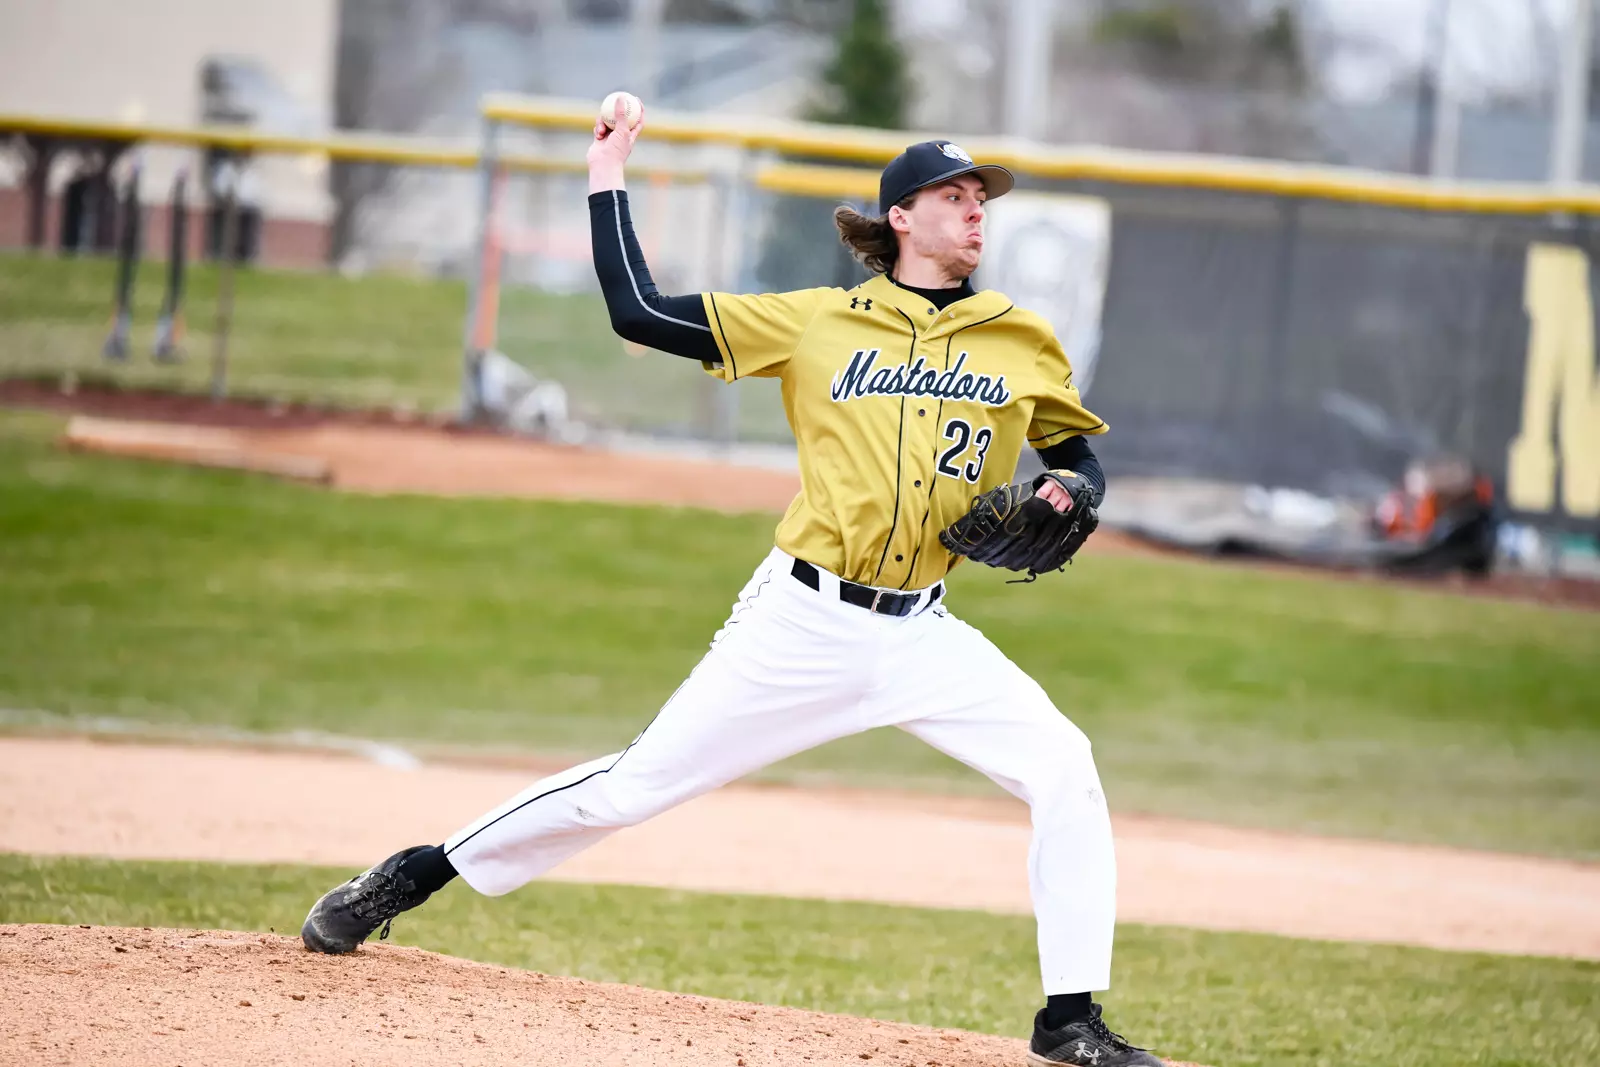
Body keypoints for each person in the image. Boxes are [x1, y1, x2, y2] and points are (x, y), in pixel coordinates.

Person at [301, 99, 1159, 1067]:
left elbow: (1077, 459)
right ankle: (417, 872)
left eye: (980, 199)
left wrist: (1066, 489)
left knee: (1065, 766)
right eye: (952, 196)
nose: (974, 212)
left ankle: (1069, 1018)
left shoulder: (1020, 339)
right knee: (629, 789)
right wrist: (607, 176)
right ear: (900, 220)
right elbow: (640, 310)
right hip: (801, 621)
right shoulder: (816, 323)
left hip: (923, 633)